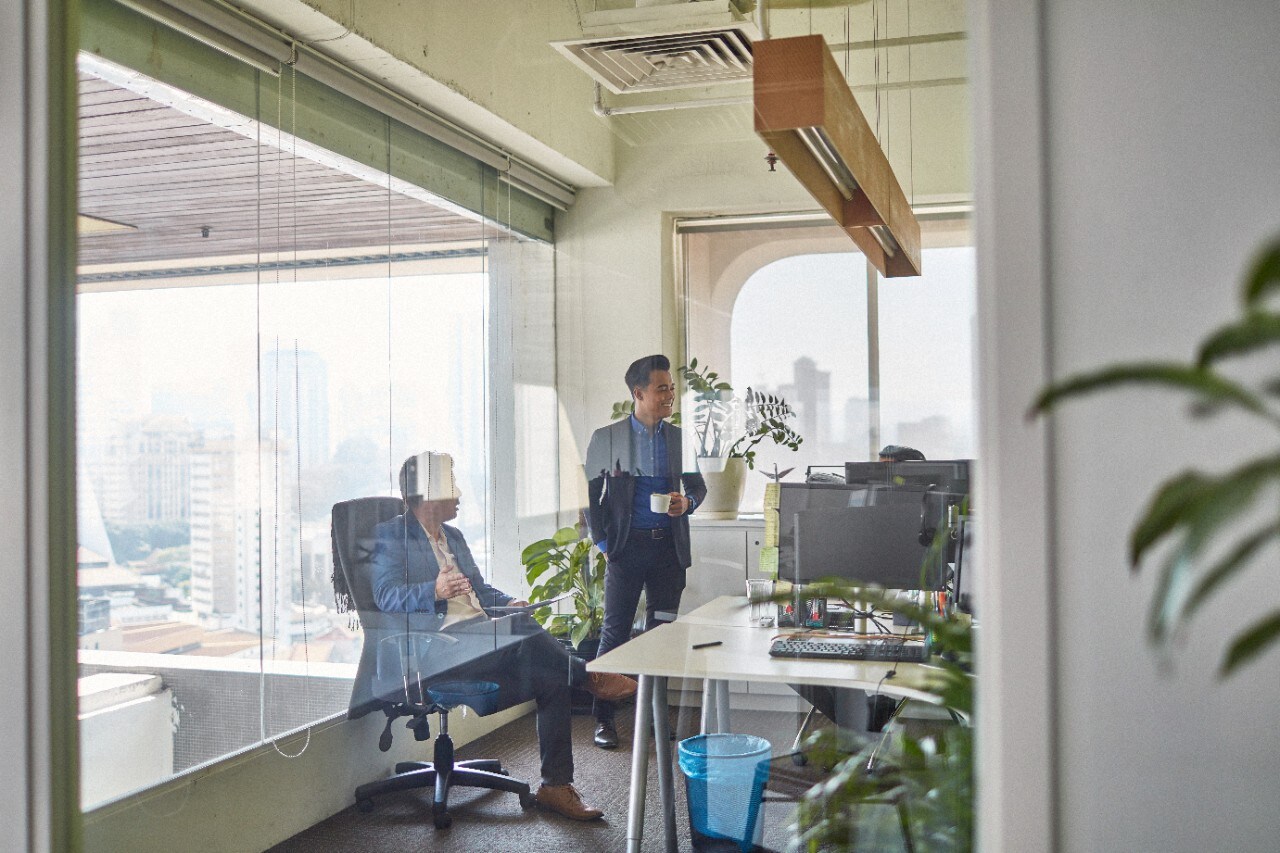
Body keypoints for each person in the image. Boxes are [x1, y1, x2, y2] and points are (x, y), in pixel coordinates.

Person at [370, 450, 638, 822]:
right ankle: (587, 675)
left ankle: (555, 786)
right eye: (452, 484)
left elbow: (480, 591)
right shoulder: (391, 535)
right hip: (438, 654)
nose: (459, 493)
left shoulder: (453, 536)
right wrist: (433, 590)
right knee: (525, 634)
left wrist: (509, 602)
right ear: (429, 493)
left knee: (552, 676)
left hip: (480, 644)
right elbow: (384, 596)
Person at [583, 354, 707, 749]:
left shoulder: (678, 439)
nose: (670, 395)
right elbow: (589, 498)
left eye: (671, 388)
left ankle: (653, 715)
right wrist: (604, 545)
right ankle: (604, 720)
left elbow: (698, 487)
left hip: (668, 550)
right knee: (615, 632)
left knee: (662, 634)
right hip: (626, 548)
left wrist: (687, 503)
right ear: (638, 394)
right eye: (662, 388)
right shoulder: (607, 438)